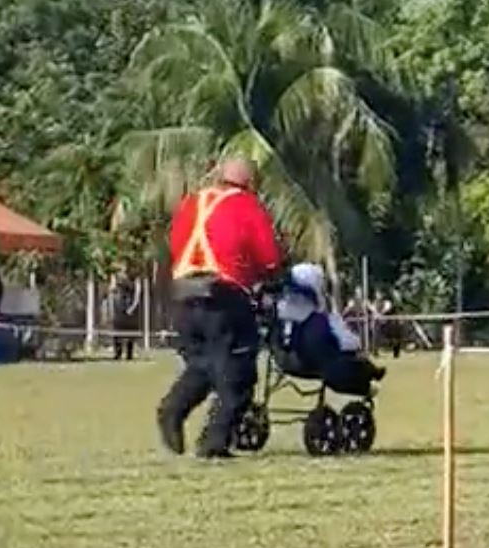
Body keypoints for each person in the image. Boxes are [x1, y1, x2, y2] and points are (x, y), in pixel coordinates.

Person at [157, 158, 282, 459]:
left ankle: (172, 410)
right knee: (237, 372)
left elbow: (175, 245)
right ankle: (214, 441)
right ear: (250, 182)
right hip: (223, 296)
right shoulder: (246, 205)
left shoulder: (192, 202)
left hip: (184, 294)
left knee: (202, 364)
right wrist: (267, 278)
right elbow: (268, 257)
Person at [276, 263, 384, 397]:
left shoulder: (281, 316)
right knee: (348, 361)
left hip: (284, 361)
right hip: (316, 364)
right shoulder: (317, 320)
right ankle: (369, 377)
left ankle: (370, 371)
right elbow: (349, 342)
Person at [108, 269, 140, 361]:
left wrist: (132, 308)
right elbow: (112, 290)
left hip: (130, 307)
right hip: (119, 307)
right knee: (117, 332)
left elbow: (137, 296)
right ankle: (118, 353)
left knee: (130, 333)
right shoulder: (117, 279)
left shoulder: (135, 280)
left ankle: (129, 354)